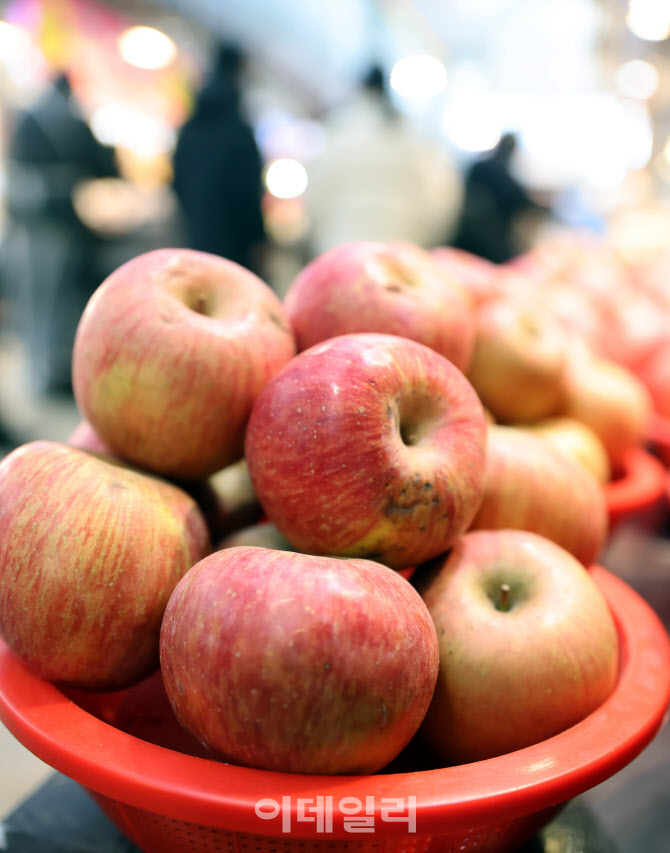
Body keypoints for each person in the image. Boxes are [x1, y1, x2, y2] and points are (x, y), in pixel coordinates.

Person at [3, 70, 118, 397]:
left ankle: (40, 371)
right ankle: (51, 371)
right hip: (64, 223)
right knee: (58, 301)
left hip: (30, 226)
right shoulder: (73, 121)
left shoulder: (30, 119)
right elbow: (103, 166)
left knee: (36, 301)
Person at [303, 64, 462, 259]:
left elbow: (313, 195)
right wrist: (426, 242)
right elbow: (441, 199)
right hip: (403, 257)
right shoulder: (414, 138)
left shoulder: (339, 133)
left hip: (339, 252)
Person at [172, 43, 267, 275]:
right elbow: (248, 190)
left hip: (197, 236)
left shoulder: (190, 128)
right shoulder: (239, 130)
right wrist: (259, 236)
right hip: (236, 247)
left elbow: (177, 181)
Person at [451, 132, 549, 264]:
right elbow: (520, 200)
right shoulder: (502, 174)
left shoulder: (479, 165)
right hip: (489, 241)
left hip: (463, 231)